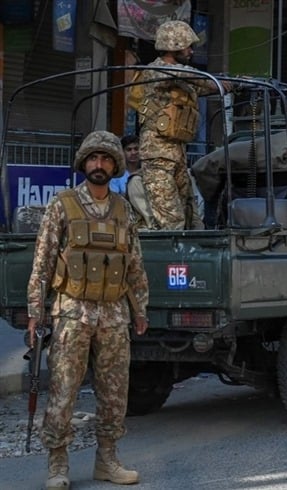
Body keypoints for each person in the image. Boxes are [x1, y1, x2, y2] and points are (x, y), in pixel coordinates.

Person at [25, 131, 149, 489]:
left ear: (115, 165)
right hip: (71, 313)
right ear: (84, 163)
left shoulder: (123, 209)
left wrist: (140, 308)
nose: (99, 164)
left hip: (114, 314)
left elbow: (134, 264)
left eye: (106, 159)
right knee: (63, 389)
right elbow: (43, 261)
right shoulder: (63, 205)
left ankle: (107, 460)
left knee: (114, 392)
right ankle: (57, 465)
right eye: (93, 158)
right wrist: (36, 311)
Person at [137, 20, 232, 230]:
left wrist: (233, 83)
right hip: (157, 154)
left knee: (190, 216)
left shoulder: (183, 79)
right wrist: (214, 80)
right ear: (174, 46)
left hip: (177, 153)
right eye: (187, 46)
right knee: (171, 220)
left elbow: (205, 86)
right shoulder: (157, 70)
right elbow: (188, 75)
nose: (191, 51)